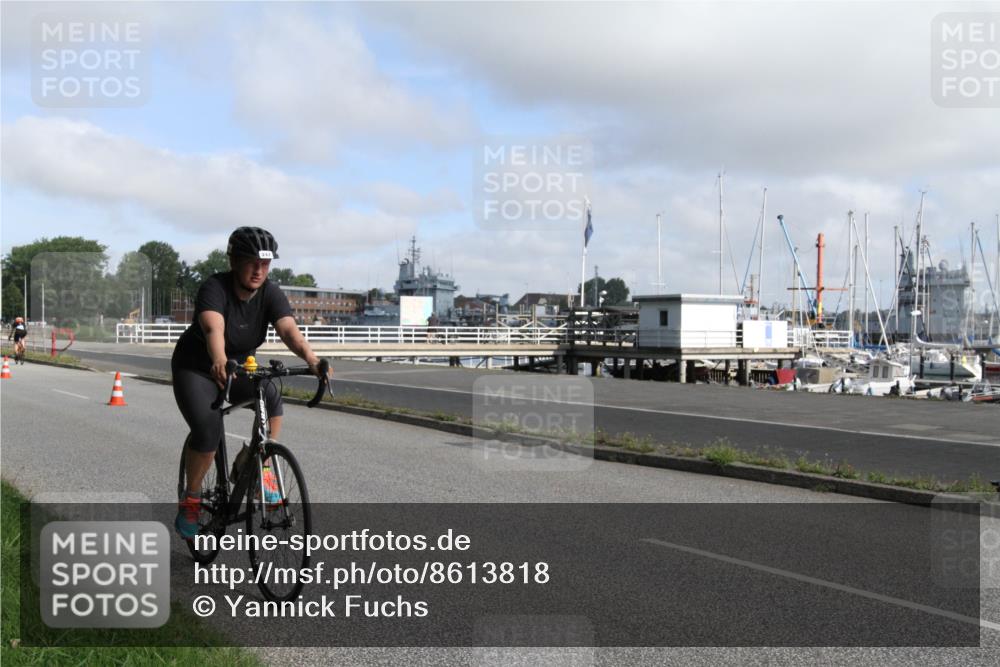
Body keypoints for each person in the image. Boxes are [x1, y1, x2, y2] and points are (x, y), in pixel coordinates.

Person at [172, 227, 329, 539]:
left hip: (240, 369)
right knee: (208, 429)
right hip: (198, 368)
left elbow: (288, 331)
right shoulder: (215, 287)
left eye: (266, 264)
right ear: (234, 261)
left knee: (271, 398)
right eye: (252, 262)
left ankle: (257, 462)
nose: (259, 271)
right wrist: (218, 358)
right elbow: (213, 328)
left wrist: (312, 360)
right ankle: (191, 499)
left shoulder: (270, 292)